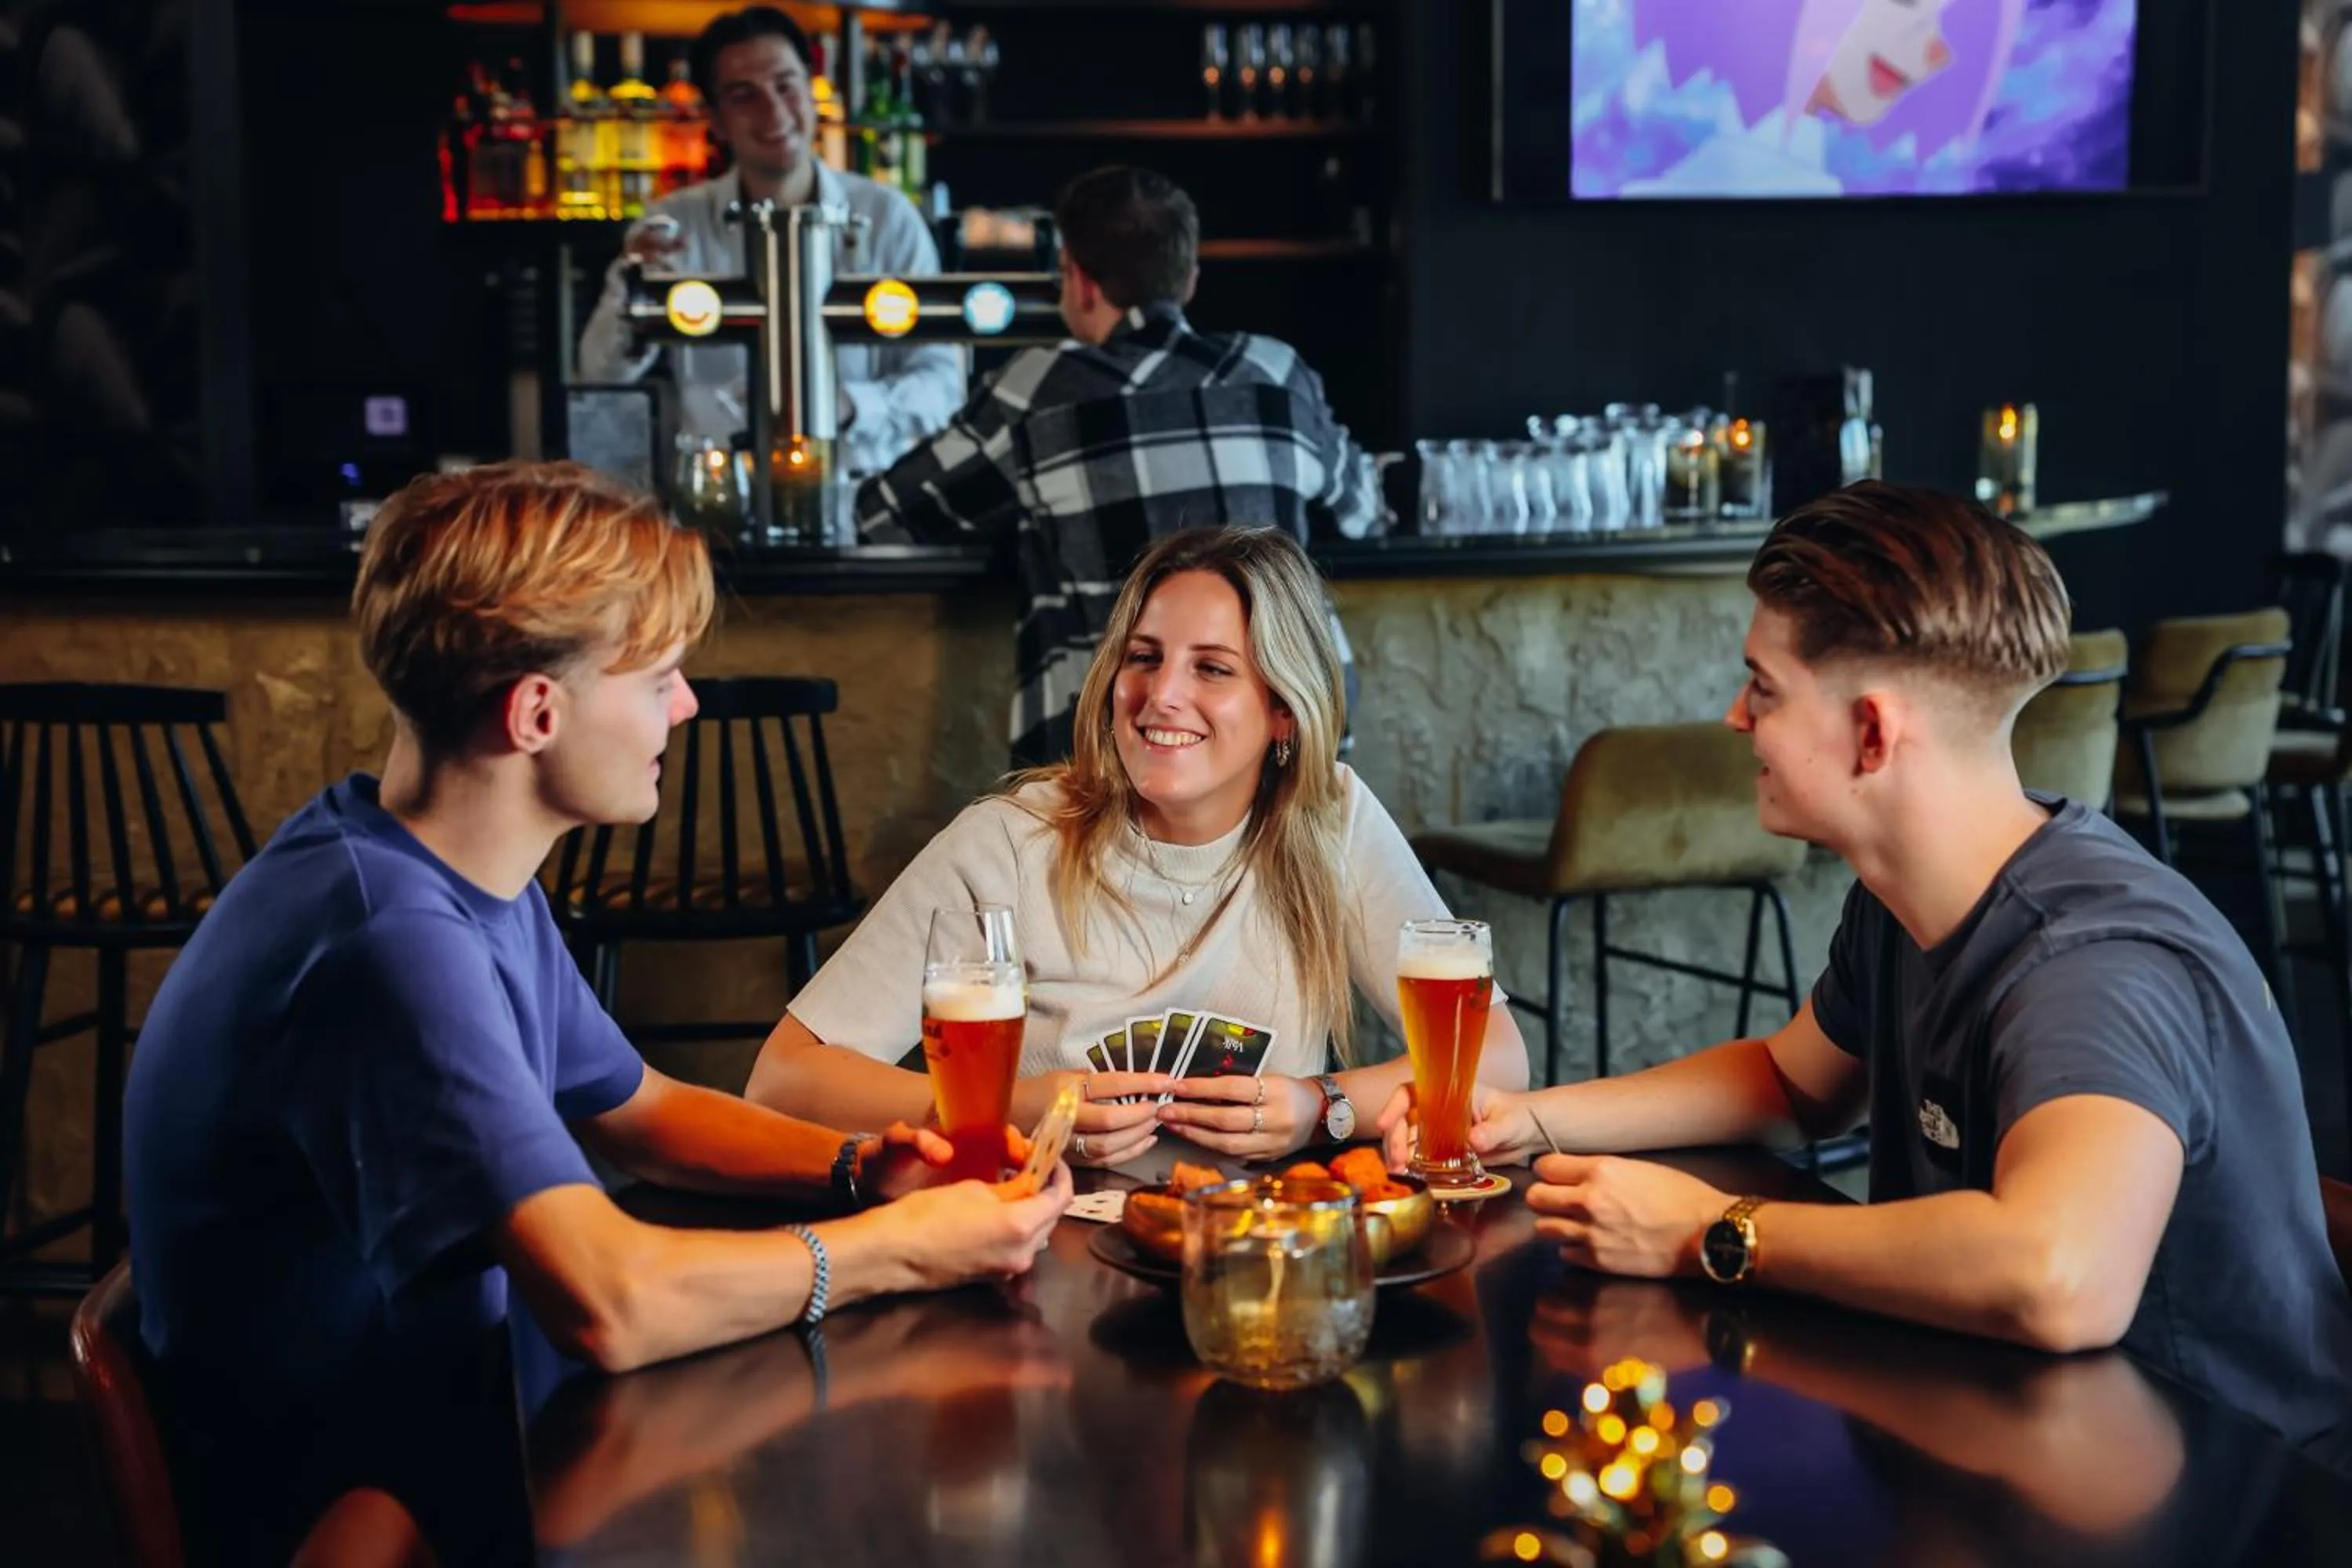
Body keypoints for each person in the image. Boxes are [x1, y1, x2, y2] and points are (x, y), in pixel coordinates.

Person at [123, 462, 1069, 1566]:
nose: (688, 704)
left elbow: (640, 1108)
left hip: (452, 1426)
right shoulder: (390, 944)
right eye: (659, 676)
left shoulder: (432, 863)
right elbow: (609, 1304)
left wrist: (864, 1168)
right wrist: (903, 1248)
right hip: (362, 1513)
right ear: (537, 712)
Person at [1381, 481, 2352, 1454]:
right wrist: (1527, 1118)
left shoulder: (2094, 960)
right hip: (2016, 1430)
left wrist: (1710, 1228)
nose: (1734, 716)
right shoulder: (1905, 899)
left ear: (1874, 732)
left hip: (2233, 1487)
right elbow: (1790, 1082)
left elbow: (2059, 1278)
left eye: (1763, 687)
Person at [746, 525, 1526, 1168]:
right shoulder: (1009, 842)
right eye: (1143, 657)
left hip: (1264, 1256)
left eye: (1212, 668)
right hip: (1039, 1251)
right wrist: (1010, 1107)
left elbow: (1497, 1057)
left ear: (1283, 712)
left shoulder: (1331, 819)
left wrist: (1322, 1107)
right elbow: (782, 1080)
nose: (1161, 696)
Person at [856, 165, 1380, 768]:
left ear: (1078, 281)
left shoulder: (1039, 390)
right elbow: (1367, 511)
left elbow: (882, 517)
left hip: (1123, 757)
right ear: (1189, 278)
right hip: (1292, 735)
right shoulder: (1276, 372)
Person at [577, 5, 963, 478]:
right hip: (722, 496)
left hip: (863, 496)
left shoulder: (887, 217)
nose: (773, 111)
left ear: (813, 92)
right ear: (716, 121)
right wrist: (632, 288)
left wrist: (848, 405)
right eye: (745, 96)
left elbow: (944, 385)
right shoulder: (675, 223)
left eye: (786, 86)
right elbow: (599, 373)